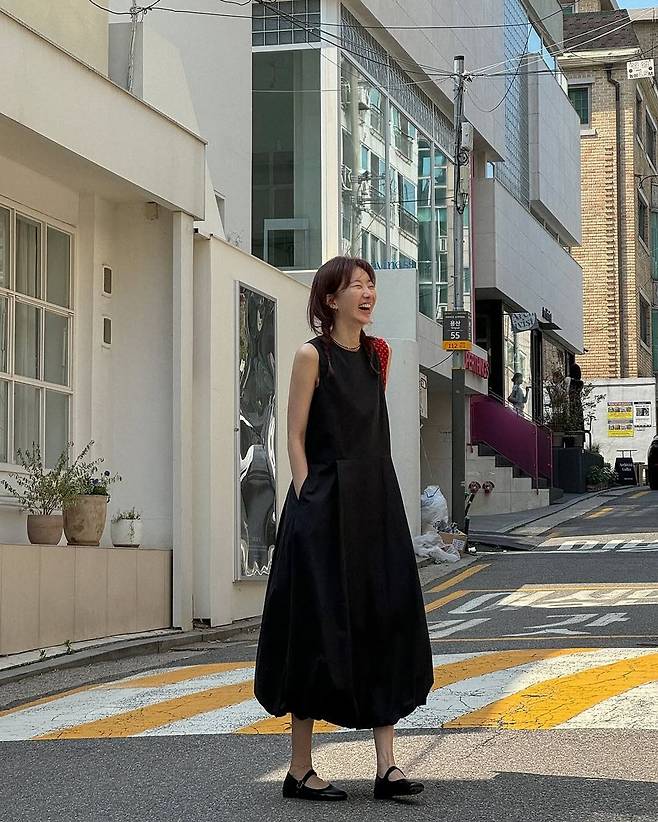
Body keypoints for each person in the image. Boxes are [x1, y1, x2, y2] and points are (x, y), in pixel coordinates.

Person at [254, 256, 433, 802]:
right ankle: (299, 770)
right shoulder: (312, 356)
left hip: (375, 502)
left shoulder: (380, 355)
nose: (367, 293)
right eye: (356, 285)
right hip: (323, 504)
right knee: (315, 626)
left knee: (383, 617)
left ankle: (387, 768)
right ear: (331, 299)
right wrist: (306, 494)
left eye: (370, 284)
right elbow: (294, 434)